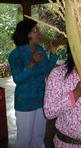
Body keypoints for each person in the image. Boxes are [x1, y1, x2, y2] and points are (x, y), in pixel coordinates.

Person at [8, 19, 59, 148]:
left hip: (40, 100)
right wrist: (31, 64)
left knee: (38, 137)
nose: (39, 33)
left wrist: (52, 53)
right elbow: (17, 79)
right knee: (24, 140)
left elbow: (47, 70)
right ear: (27, 34)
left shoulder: (40, 50)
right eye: (36, 30)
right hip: (25, 102)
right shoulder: (16, 54)